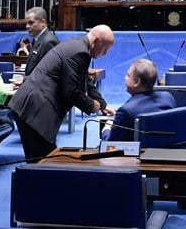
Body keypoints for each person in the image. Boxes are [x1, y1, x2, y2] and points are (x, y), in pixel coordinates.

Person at [9, 25, 116, 161]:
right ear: (95, 40)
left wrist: (102, 105)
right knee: (42, 163)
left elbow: (86, 81)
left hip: (32, 106)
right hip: (35, 109)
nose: (105, 53)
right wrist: (91, 106)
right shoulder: (81, 53)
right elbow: (71, 91)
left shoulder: (78, 46)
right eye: (105, 48)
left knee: (43, 161)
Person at [102, 59, 176, 142]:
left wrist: (106, 129)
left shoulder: (126, 111)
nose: (125, 78)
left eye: (128, 75)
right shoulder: (168, 97)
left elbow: (111, 146)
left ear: (137, 82)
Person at [23, 7, 59, 78]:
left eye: (31, 23)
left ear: (43, 22)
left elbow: (49, 73)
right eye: (26, 23)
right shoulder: (38, 40)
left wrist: (24, 80)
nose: (27, 26)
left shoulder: (49, 42)